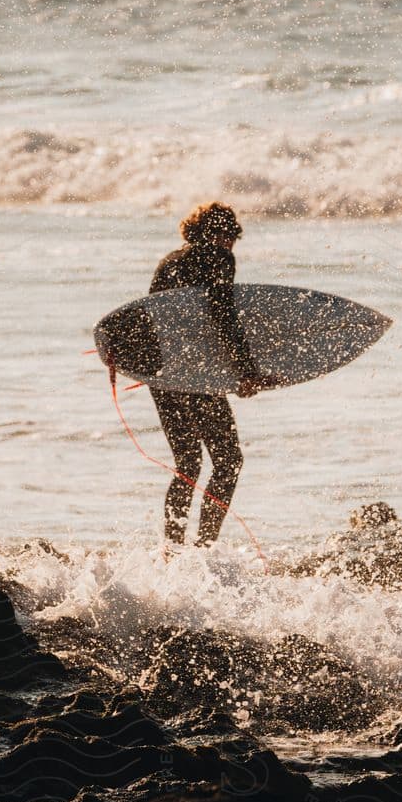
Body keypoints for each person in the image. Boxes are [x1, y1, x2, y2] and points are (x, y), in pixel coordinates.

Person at [148, 202, 280, 546]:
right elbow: (223, 319)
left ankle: (172, 551)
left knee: (188, 464)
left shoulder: (170, 262)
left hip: (161, 374)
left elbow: (163, 327)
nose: (229, 244)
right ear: (224, 235)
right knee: (228, 462)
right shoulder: (219, 257)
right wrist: (247, 372)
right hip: (193, 376)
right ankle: (204, 547)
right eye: (229, 237)